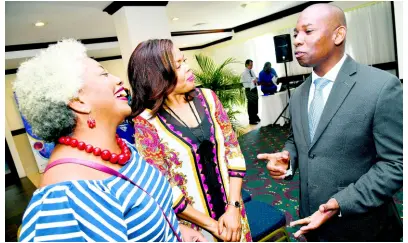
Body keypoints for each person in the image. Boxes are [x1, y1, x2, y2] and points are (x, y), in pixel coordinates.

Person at [14, 39, 206, 242]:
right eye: (104, 74)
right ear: (78, 101)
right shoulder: (65, 198)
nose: (118, 80)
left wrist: (178, 230)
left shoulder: (125, 150)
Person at [257, 3, 402, 241]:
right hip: (309, 223)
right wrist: (288, 159)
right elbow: (300, 140)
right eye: (295, 34)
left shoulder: (381, 87)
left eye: (308, 31)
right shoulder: (299, 94)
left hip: (362, 229)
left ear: (338, 34)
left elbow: (396, 164)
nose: (297, 40)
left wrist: (340, 202)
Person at [127, 39, 252, 242]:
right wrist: (213, 226)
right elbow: (164, 187)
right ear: (157, 76)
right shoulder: (146, 122)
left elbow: (233, 152)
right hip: (195, 229)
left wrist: (233, 208)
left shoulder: (209, 98)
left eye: (184, 60)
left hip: (234, 213)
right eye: (178, 65)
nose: (187, 68)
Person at [240, 59, 260, 124]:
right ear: (246, 65)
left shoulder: (251, 71)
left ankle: (255, 116)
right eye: (250, 65)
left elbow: (255, 78)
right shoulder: (244, 73)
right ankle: (251, 119)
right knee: (251, 104)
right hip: (249, 90)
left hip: (254, 88)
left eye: (252, 65)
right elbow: (251, 80)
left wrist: (255, 79)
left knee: (255, 103)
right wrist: (254, 79)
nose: (251, 66)